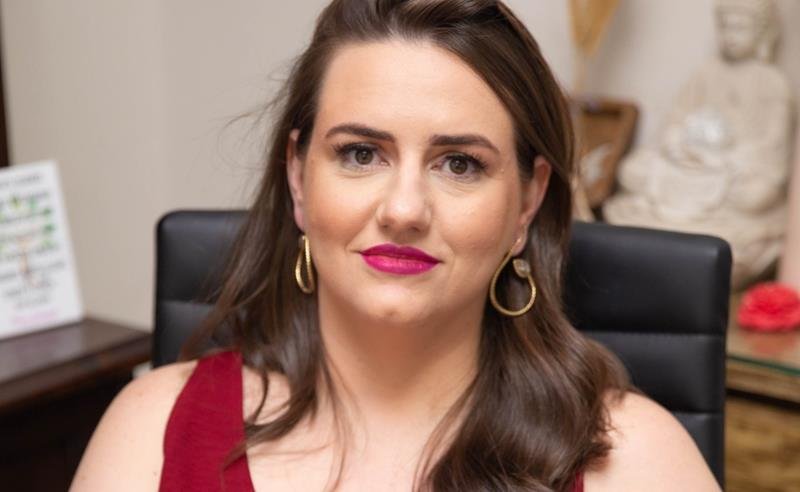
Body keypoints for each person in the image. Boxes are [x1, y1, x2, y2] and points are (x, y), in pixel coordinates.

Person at [72, 1, 720, 491]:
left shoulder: (636, 460)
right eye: (361, 154)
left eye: (459, 164)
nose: (404, 210)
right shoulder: (151, 429)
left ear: (527, 200)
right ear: (298, 177)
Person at [603, 0, 794, 290]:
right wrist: (680, 143)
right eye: (725, 27)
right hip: (691, 163)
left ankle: (681, 233)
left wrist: (725, 159)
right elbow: (675, 121)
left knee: (756, 195)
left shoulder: (772, 83)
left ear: (762, 33)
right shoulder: (706, 73)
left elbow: (771, 148)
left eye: (740, 28)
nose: (730, 35)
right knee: (633, 171)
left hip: (732, 170)